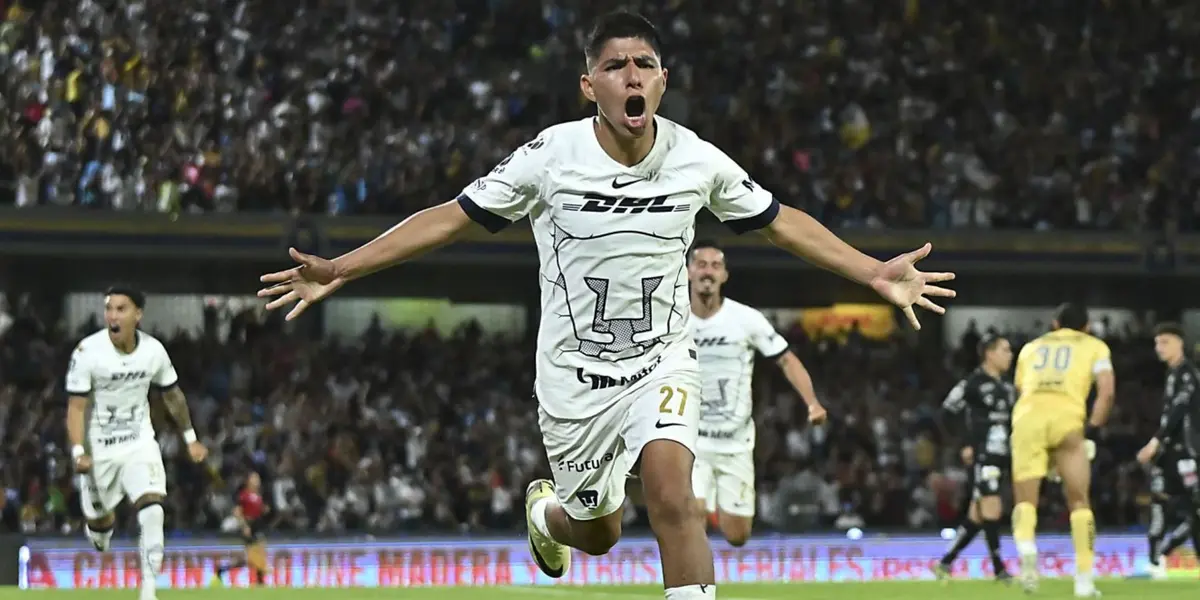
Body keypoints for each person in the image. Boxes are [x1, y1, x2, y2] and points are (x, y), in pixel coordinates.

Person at [255, 12, 954, 599]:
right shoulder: (549, 156)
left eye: (644, 64)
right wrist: (341, 267)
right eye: (616, 65)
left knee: (675, 497)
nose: (632, 76)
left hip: (662, 362)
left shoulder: (696, 159)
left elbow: (779, 220)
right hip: (574, 381)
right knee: (599, 533)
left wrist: (873, 272)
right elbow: (451, 218)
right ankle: (550, 517)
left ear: (663, 81)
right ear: (590, 85)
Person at [66, 286, 207, 600]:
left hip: (139, 444)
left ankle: (148, 591)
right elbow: (76, 407)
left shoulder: (153, 351)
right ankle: (98, 527)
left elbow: (173, 396)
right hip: (99, 450)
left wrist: (190, 438)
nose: (112, 316)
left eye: (121, 309)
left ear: (138, 315)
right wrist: (78, 451)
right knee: (100, 532)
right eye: (109, 309)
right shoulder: (87, 352)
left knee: (153, 510)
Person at [686, 240, 826, 546]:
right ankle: (695, 573)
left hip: (735, 442)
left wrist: (812, 402)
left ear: (724, 275)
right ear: (688, 272)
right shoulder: (673, 320)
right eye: (701, 265)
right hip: (690, 440)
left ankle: (714, 505)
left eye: (715, 266)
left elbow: (786, 359)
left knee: (737, 535)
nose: (708, 272)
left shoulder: (746, 319)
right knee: (691, 518)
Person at [1009, 303, 1114, 597]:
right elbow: (1107, 392)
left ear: (1055, 323)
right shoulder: (1095, 346)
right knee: (1079, 501)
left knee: (1025, 501)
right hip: (1068, 418)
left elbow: (1020, 388)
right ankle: (1084, 581)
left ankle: (1027, 551)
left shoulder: (1030, 348)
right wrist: (1092, 430)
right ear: (1087, 326)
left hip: (1028, 418)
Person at [935, 334, 1014, 582]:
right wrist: (964, 444)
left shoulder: (1008, 387)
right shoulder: (971, 384)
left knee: (977, 516)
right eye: (1005, 350)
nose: (1010, 355)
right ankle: (999, 569)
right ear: (989, 354)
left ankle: (945, 562)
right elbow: (947, 412)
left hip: (1003, 455)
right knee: (992, 506)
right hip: (983, 454)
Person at [1136, 323, 1200, 580]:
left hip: (1188, 454)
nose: (1159, 348)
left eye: (1165, 342)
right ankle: (1155, 563)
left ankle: (1165, 552)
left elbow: (1179, 410)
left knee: (1195, 510)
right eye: (1157, 343)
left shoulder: (1188, 374)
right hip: (1170, 453)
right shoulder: (1172, 374)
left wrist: (1156, 441)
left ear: (1179, 343)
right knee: (1159, 502)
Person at [213, 472, 270, 586]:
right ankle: (260, 580)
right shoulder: (244, 495)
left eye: (257, 479)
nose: (257, 481)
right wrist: (244, 526)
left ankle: (223, 570)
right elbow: (237, 511)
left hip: (257, 526)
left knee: (256, 555)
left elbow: (258, 510)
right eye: (254, 478)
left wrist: (264, 509)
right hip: (249, 527)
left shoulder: (259, 495)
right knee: (254, 555)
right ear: (248, 481)